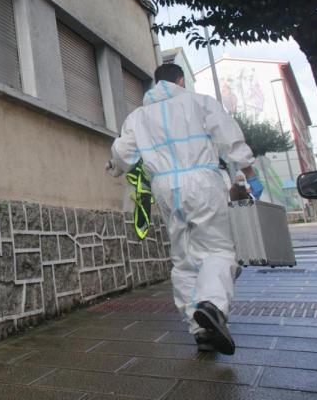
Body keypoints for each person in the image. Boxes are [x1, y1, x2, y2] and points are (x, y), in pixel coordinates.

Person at [107, 63, 263, 355]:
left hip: (165, 188)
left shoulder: (138, 116)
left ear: (156, 83)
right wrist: (249, 173)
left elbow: (121, 153)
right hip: (202, 181)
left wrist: (114, 168)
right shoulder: (200, 102)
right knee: (218, 249)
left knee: (184, 258)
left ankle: (200, 329)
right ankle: (213, 306)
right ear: (180, 80)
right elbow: (228, 137)